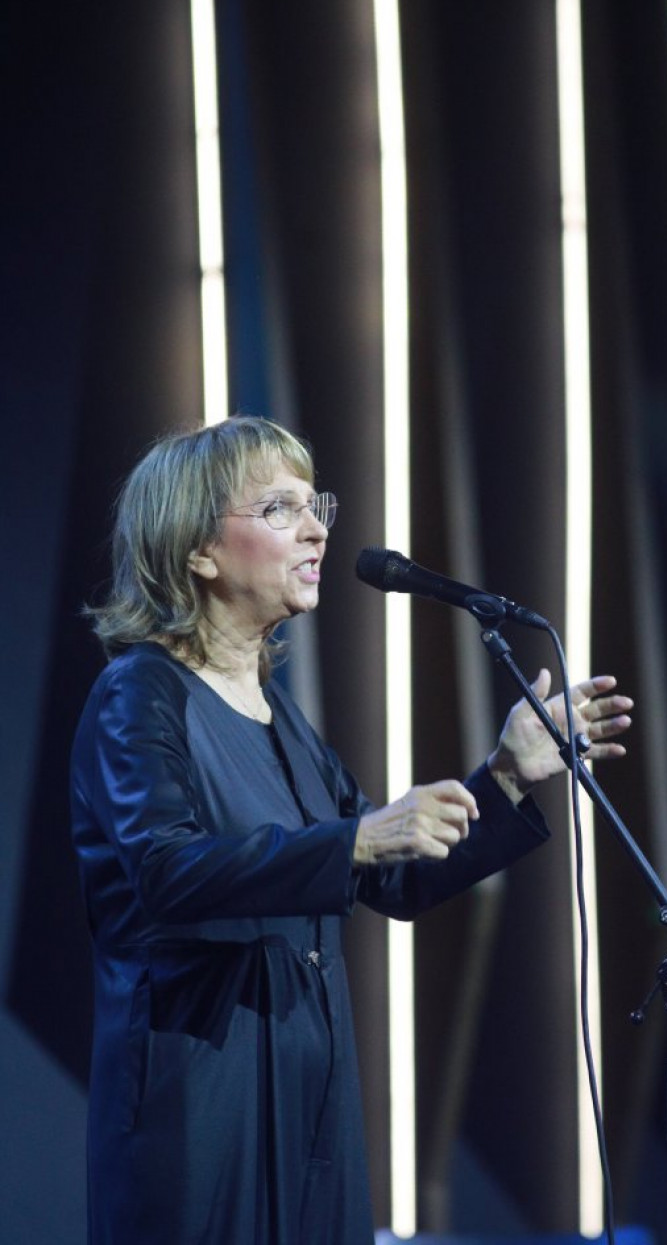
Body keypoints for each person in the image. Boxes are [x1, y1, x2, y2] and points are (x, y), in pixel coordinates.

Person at [70, 415, 633, 1245]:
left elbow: (393, 879)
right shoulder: (139, 695)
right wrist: (357, 838)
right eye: (280, 509)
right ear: (199, 550)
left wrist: (507, 775)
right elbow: (166, 871)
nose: (316, 529)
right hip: (201, 1104)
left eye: (316, 505)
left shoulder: (284, 721)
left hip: (314, 1107)